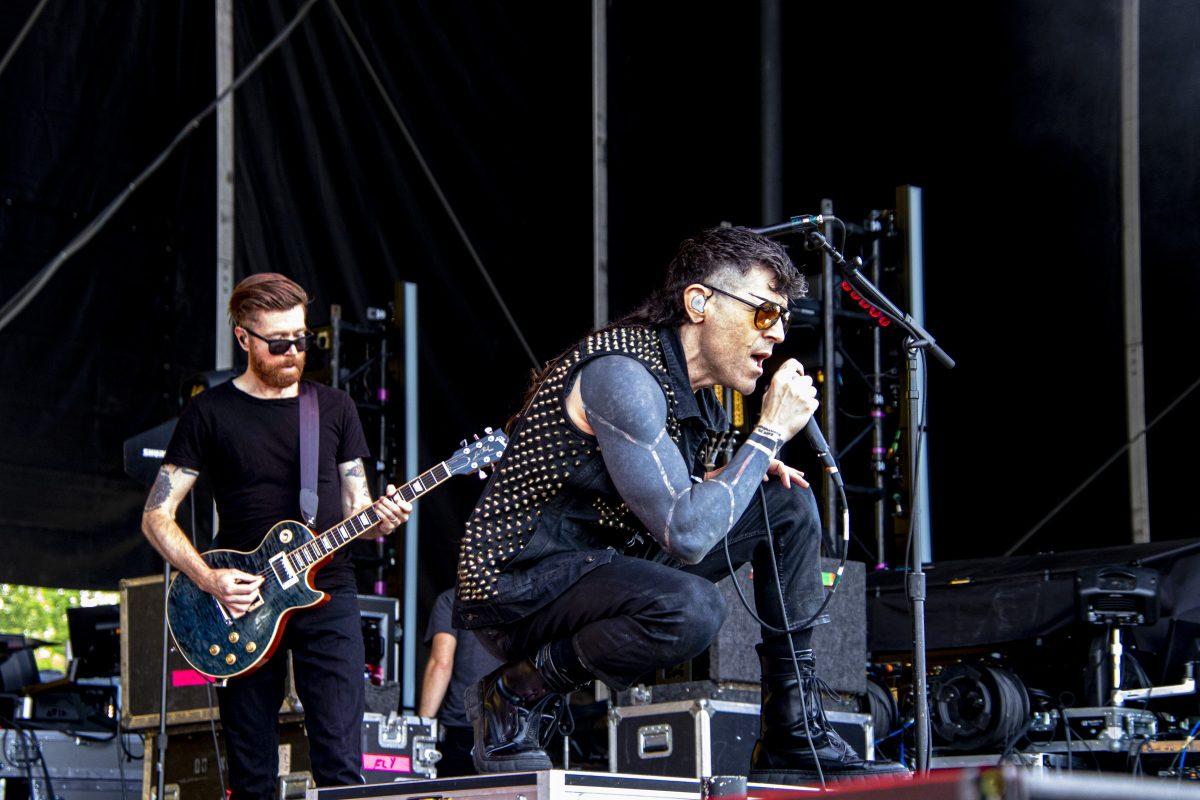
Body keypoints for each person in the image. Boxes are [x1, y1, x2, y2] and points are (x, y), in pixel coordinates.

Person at [453, 227, 905, 781]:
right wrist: (765, 436)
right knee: (692, 609)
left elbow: (670, 489)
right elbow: (684, 532)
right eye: (765, 314)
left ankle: (792, 727)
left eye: (784, 319)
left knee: (783, 506)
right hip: (519, 582)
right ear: (699, 302)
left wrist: (741, 472)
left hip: (605, 563)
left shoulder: (704, 397)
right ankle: (514, 692)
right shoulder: (621, 372)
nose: (778, 335)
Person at [141, 273, 412, 798]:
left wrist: (383, 517)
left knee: (340, 761)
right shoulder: (209, 413)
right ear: (243, 338)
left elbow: (360, 507)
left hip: (328, 591)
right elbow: (156, 514)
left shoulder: (333, 408)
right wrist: (209, 578)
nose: (293, 351)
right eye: (278, 341)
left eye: (301, 339)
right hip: (240, 604)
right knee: (252, 771)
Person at [419, 587, 504, 777]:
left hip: (463, 730)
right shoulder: (526, 597)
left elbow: (441, 663)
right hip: (516, 732)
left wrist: (421, 730)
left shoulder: (452, 600)